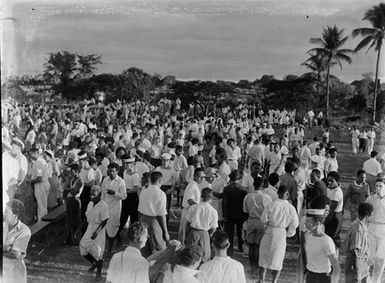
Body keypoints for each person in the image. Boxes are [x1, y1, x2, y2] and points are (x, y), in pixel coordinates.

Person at [258, 185, 299, 283]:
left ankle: (262, 280)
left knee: (264, 257)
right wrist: (289, 233)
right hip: (281, 233)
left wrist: (266, 225)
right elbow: (295, 224)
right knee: (278, 258)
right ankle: (274, 281)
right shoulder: (291, 208)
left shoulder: (272, 204)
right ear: (287, 194)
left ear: (277, 193)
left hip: (271, 231)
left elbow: (263, 218)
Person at [304, 198, 341, 283]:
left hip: (322, 279)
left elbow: (337, 267)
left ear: (317, 223)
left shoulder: (327, 241)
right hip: (310, 277)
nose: (306, 224)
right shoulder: (308, 237)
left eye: (308, 221)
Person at [243, 176, 272, 278]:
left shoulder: (248, 196)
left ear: (253, 185)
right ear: (263, 185)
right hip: (261, 222)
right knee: (258, 246)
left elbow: (245, 211)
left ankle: (252, 268)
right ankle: (256, 270)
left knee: (251, 246)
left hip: (251, 220)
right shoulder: (267, 197)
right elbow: (269, 213)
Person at [79, 185, 109, 279]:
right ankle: (94, 263)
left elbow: (104, 221)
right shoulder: (90, 204)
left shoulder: (104, 205)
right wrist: (79, 228)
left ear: (99, 195)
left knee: (99, 252)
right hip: (90, 227)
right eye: (90, 195)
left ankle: (98, 274)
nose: (91, 197)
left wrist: (96, 232)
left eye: (94, 195)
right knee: (83, 247)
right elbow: (86, 218)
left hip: (99, 229)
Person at [138, 171, 170, 257]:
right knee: (158, 247)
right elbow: (162, 214)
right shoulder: (161, 194)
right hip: (154, 221)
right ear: (160, 181)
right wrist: (165, 231)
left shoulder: (143, 192)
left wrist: (139, 223)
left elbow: (140, 211)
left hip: (143, 219)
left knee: (144, 246)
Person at [185, 187, 218, 262]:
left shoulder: (193, 207)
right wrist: (208, 235)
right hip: (205, 233)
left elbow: (188, 223)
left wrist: (186, 235)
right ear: (211, 198)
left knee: (190, 255)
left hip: (193, 232)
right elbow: (213, 228)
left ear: (201, 196)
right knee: (205, 256)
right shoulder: (213, 211)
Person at [3, 200, 31, 283]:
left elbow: (16, 254)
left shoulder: (24, 231)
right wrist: (8, 248)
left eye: (6, 212)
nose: (4, 214)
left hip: (15, 275)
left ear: (15, 215)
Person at [101, 162, 127, 255]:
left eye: (113, 171)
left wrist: (115, 193)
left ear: (117, 171)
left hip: (115, 208)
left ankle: (109, 250)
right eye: (110, 171)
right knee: (103, 227)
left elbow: (124, 196)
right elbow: (102, 194)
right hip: (105, 206)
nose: (111, 173)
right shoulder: (105, 180)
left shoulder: (121, 182)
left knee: (112, 228)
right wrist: (101, 205)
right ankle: (103, 248)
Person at [344, 202, 373, 283]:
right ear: (368, 216)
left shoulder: (360, 225)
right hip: (356, 265)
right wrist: (357, 273)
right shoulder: (358, 229)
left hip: (362, 264)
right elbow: (354, 251)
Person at [222, 170, 248, 256]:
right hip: (241, 215)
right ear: (239, 179)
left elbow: (224, 203)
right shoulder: (244, 189)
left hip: (229, 215)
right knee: (240, 232)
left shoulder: (227, 189)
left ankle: (229, 251)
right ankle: (241, 247)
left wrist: (224, 215)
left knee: (229, 234)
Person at [179, 167, 206, 244]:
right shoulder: (192, 186)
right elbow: (190, 200)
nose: (201, 179)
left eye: (203, 177)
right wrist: (199, 209)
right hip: (188, 212)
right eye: (199, 177)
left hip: (193, 212)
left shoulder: (196, 185)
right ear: (194, 176)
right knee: (184, 235)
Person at [365, 178, 385, 283]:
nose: (378, 188)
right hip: (371, 229)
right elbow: (365, 215)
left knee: (381, 259)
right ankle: (366, 280)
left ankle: (376, 281)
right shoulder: (370, 199)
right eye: (376, 186)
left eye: (380, 186)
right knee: (369, 257)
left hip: (383, 231)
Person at [63, 163, 84, 245]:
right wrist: (67, 189)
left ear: (76, 171)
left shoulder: (80, 181)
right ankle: (68, 239)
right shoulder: (72, 179)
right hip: (70, 201)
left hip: (75, 201)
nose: (71, 173)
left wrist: (67, 189)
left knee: (76, 221)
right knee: (68, 221)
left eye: (72, 171)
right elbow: (67, 189)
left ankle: (76, 240)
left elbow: (73, 192)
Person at [119, 156, 140, 237]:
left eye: (129, 164)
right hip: (126, 195)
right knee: (123, 215)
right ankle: (118, 234)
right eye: (126, 164)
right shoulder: (125, 172)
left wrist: (125, 192)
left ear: (133, 164)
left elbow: (135, 189)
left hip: (132, 196)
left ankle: (135, 234)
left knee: (134, 217)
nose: (127, 166)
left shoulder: (135, 175)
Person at [29, 147, 51, 221]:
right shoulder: (41, 161)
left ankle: (42, 223)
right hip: (44, 183)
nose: (30, 156)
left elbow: (39, 178)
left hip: (41, 185)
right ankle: (43, 220)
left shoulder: (38, 163)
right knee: (43, 204)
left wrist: (30, 181)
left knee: (41, 205)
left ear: (36, 153)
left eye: (31, 155)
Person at [324, 171, 344, 250]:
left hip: (334, 218)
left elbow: (331, 211)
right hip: (334, 216)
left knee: (331, 239)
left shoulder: (336, 193)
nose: (329, 182)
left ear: (337, 181)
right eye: (328, 180)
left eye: (332, 181)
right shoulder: (331, 189)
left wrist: (324, 222)